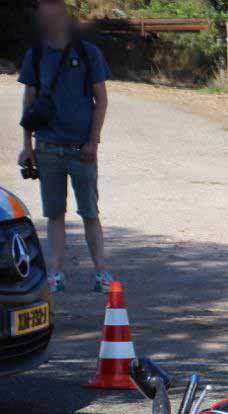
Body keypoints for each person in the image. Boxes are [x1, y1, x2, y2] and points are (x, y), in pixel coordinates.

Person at [16, 0, 112, 293]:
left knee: (90, 212)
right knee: (54, 214)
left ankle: (101, 272)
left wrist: (93, 141)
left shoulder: (87, 52)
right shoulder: (35, 54)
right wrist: (27, 146)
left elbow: (101, 100)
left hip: (81, 150)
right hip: (47, 148)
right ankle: (56, 274)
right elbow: (29, 103)